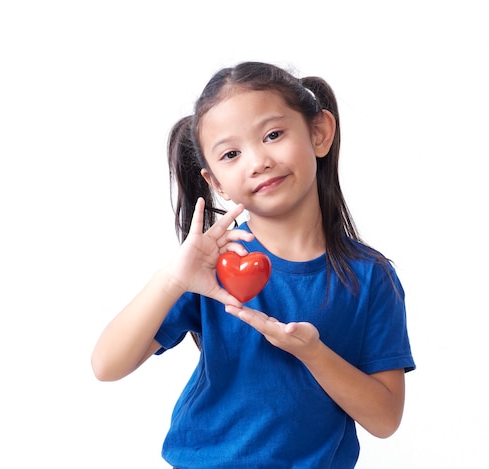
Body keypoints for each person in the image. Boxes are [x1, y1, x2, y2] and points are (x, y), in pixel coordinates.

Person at [91, 61, 415, 468]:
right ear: (216, 183)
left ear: (319, 133)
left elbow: (385, 419)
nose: (258, 160)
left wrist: (314, 353)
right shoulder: (210, 268)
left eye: (274, 134)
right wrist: (173, 278)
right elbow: (106, 365)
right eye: (231, 153)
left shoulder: (369, 277)